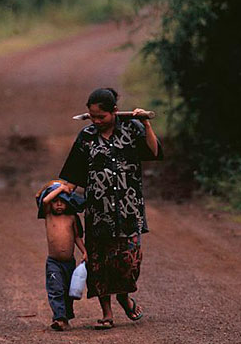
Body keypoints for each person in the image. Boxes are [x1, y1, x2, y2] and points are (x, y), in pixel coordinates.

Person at [56, 87, 163, 329]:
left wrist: (145, 123)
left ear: (114, 111)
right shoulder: (86, 137)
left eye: (100, 117)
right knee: (99, 263)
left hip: (128, 211)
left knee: (128, 263)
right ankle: (106, 313)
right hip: (98, 213)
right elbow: (72, 176)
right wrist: (55, 193)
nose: (96, 121)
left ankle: (124, 297)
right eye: (92, 116)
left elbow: (154, 152)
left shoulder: (133, 129)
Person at [36, 182, 87, 331]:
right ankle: (59, 318)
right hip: (54, 262)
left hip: (69, 262)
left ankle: (65, 317)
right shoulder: (48, 215)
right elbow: (44, 200)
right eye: (55, 201)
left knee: (68, 291)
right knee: (55, 289)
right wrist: (61, 188)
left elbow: (77, 237)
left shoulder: (71, 218)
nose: (58, 205)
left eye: (62, 201)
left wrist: (84, 252)